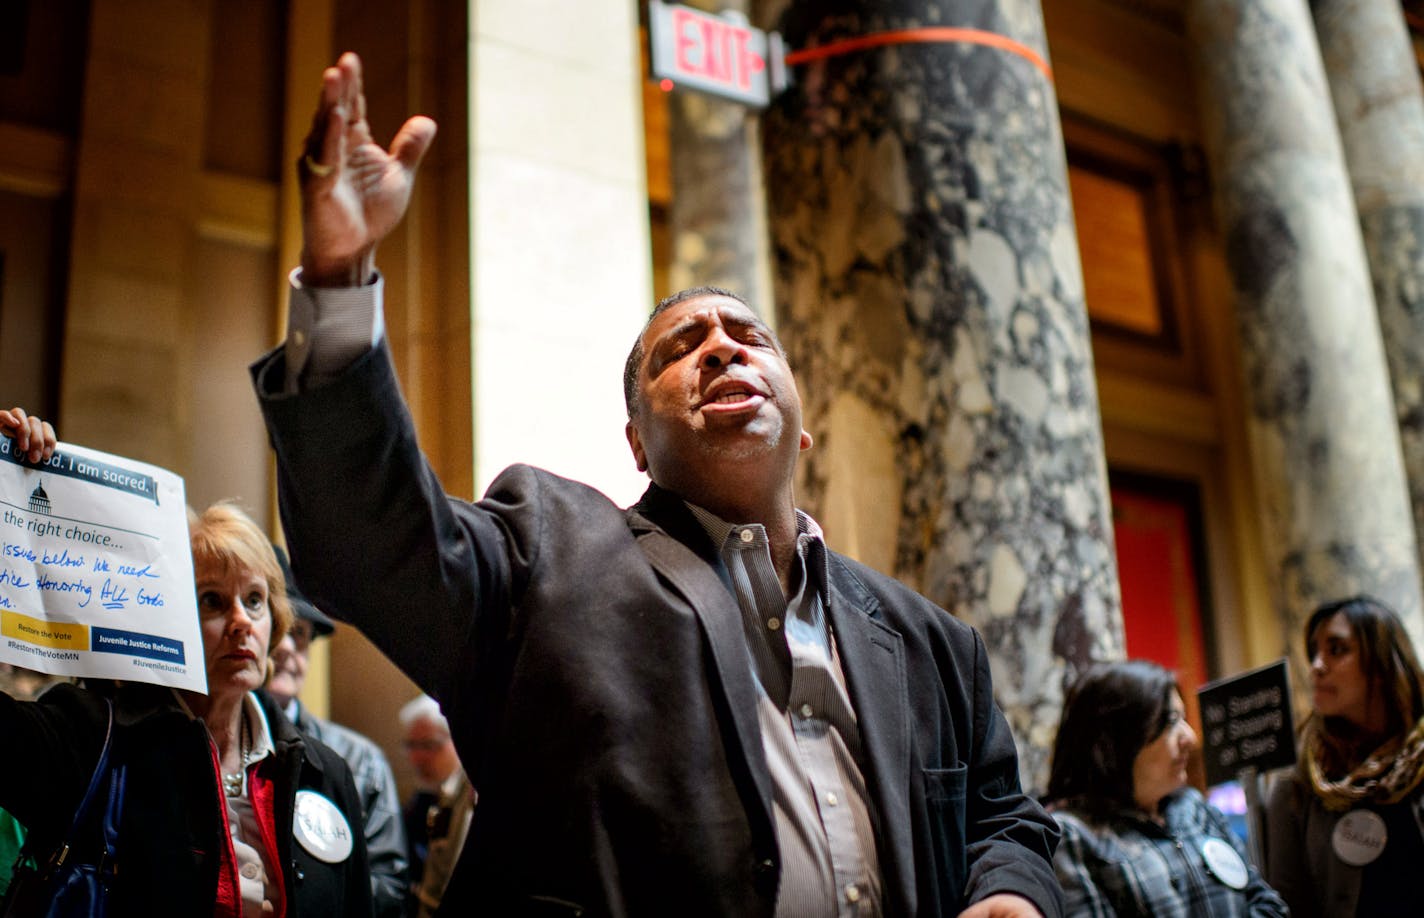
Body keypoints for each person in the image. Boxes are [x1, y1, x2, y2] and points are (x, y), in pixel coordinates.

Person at [251, 51, 1062, 917]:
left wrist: (1012, 892)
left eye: (748, 338)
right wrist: (339, 282)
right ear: (638, 444)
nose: (721, 347)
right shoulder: (547, 553)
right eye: (683, 349)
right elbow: (371, 543)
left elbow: (1004, 818)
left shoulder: (935, 643)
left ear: (803, 425)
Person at [0, 430, 375, 917]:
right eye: (213, 601)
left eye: (255, 600)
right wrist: (10, 476)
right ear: (169, 617)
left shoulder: (325, 773)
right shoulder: (97, 738)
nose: (242, 621)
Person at [1044, 660, 1286, 917]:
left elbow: (1270, 907)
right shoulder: (1072, 837)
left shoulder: (1194, 808)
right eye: (1171, 722)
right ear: (1118, 739)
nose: (1190, 738)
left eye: (1183, 719)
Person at [267, 545, 409, 917]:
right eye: (276, 628)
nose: (284, 647)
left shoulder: (360, 761)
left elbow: (391, 888)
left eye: (298, 633)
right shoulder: (212, 744)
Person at [1264, 595, 1424, 917]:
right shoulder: (1299, 781)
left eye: (1337, 650)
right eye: (1315, 653)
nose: (1317, 666)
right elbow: (1289, 904)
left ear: (1381, 664)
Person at [397, 695, 471, 917]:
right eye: (412, 745)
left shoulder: (468, 796)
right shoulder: (422, 800)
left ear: (458, 739)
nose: (418, 757)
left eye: (429, 745)